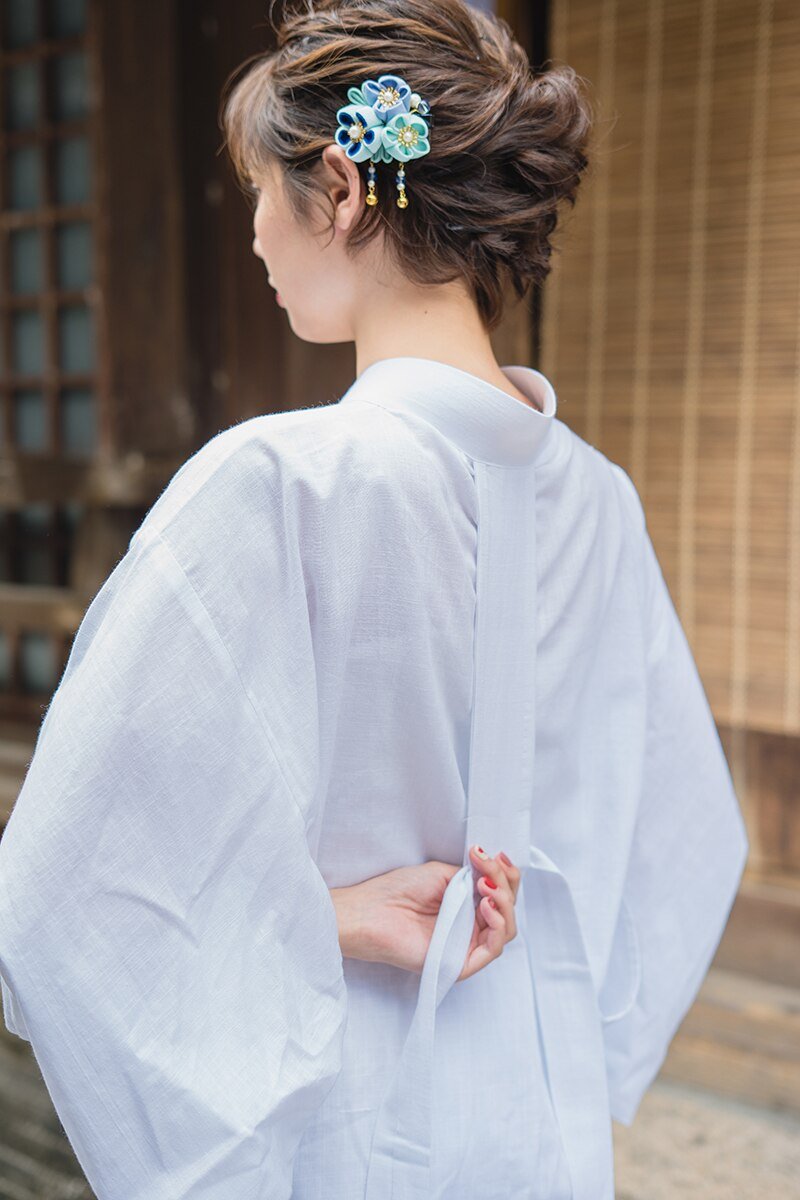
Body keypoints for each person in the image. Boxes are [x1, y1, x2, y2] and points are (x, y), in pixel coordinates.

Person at [0, 1, 749, 1198]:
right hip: (544, 1136)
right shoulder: (599, 501)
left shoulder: (276, 486)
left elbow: (68, 890)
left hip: (330, 1118)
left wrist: (323, 917)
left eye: (259, 188)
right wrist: (580, 1045)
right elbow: (685, 844)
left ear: (342, 190)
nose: (250, 230)